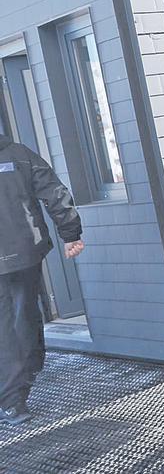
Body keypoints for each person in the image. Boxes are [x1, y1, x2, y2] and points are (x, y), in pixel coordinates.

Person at [0, 131, 84, 426]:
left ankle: (13, 396)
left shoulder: (18, 154)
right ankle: (19, 386)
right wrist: (70, 232)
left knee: (10, 324)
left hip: (21, 255)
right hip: (25, 253)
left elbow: (52, 190)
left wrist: (70, 232)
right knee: (23, 316)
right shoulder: (19, 153)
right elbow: (53, 190)